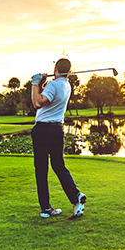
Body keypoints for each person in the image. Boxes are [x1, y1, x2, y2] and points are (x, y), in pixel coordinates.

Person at [31, 58, 86, 219]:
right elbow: (46, 98)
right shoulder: (66, 85)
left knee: (41, 170)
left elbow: (37, 102)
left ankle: (45, 208)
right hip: (57, 130)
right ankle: (75, 196)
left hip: (43, 130)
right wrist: (42, 84)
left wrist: (35, 84)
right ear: (69, 71)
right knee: (58, 166)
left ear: (55, 69)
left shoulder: (53, 85)